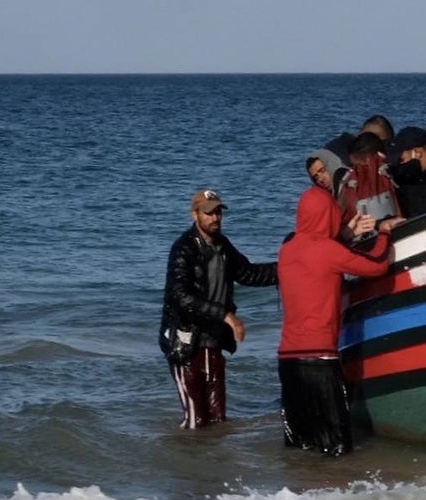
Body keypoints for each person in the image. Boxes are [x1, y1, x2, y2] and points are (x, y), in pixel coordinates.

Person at [277, 187, 393, 455]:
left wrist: (346, 235)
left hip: (288, 361)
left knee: (301, 445)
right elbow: (376, 265)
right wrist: (384, 231)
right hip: (320, 361)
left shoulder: (287, 250)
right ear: (329, 214)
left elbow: (318, 255)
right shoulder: (328, 250)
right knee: (338, 447)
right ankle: (339, 492)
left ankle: (298, 493)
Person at [159, 189, 278, 430]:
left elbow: (249, 273)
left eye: (218, 212)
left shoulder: (223, 246)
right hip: (185, 343)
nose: (215, 218)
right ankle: (185, 462)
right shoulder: (183, 249)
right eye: (208, 213)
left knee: (218, 420)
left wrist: (290, 265)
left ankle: (215, 464)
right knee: (196, 421)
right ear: (195, 215)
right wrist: (227, 316)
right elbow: (180, 296)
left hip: (213, 343)